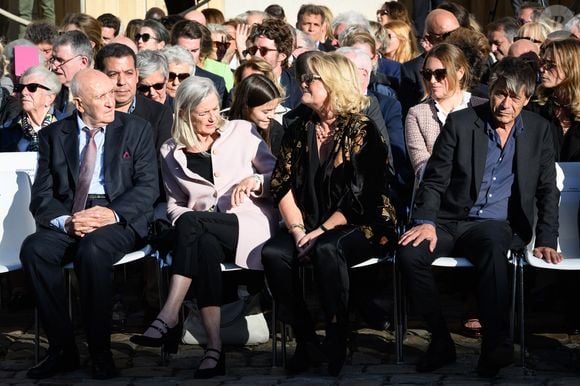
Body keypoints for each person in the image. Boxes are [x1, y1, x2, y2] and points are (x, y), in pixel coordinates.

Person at [398, 56, 561, 378]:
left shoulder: (539, 130)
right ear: (491, 92)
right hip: (449, 220)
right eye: (500, 93)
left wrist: (545, 238)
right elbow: (434, 179)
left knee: (493, 251)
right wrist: (426, 222)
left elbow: (547, 189)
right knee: (409, 254)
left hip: (496, 225)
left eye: (515, 97)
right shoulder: (462, 123)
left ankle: (494, 346)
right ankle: (441, 342)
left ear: (527, 99)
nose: (505, 103)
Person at [130, 76, 278, 379]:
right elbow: (174, 203)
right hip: (203, 233)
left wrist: (256, 181)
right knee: (201, 241)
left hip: (247, 226)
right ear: (184, 113)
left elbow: (277, 173)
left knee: (192, 224)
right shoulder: (170, 150)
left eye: (216, 110)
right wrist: (187, 216)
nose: (213, 118)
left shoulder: (241, 130)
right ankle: (214, 349)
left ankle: (169, 313)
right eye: (203, 112)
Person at [261, 52, 397, 377]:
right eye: (304, 77)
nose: (303, 82)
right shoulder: (299, 127)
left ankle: (337, 334)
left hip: (363, 221)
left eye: (312, 78)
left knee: (327, 248)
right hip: (307, 223)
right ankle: (307, 339)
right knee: (275, 253)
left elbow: (359, 196)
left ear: (333, 84)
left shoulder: (361, 129)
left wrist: (320, 232)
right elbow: (281, 185)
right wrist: (297, 232)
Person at [20, 68, 159, 380]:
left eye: (112, 93)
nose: (112, 101)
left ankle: (100, 352)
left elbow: (148, 187)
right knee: (34, 249)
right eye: (102, 97)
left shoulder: (136, 129)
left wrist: (110, 214)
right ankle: (62, 349)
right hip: (73, 216)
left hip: (118, 217)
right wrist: (67, 222)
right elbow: (42, 196)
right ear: (80, 104)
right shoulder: (54, 136)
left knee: (93, 251)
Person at [94, 43, 172, 153]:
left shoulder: (159, 115)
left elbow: (160, 165)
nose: (122, 82)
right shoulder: (89, 112)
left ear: (136, 75)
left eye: (128, 73)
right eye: (113, 74)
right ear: (99, 75)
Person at [400, 8, 459, 117]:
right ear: (428, 38)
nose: (456, 39)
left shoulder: (465, 61)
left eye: (458, 33)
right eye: (448, 35)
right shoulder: (412, 71)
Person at [533, 38, 580, 162]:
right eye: (542, 63)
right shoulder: (535, 106)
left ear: (571, 68)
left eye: (550, 65)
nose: (542, 69)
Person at [0, 65, 60, 151]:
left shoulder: (67, 131)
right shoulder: (4, 135)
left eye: (32, 87)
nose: (24, 92)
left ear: (50, 98)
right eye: (20, 88)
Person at [247, 19, 302, 109]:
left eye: (264, 50)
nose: (256, 55)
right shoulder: (244, 81)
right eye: (253, 50)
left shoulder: (296, 88)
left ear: (282, 56)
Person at [170, 20, 228, 103]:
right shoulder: (161, 79)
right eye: (184, 50)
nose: (189, 56)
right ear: (172, 47)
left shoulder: (215, 83)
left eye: (194, 51)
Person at [228, 73, 284, 155]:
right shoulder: (227, 130)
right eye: (265, 112)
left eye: (274, 109)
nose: (271, 115)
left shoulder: (275, 130)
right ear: (246, 106)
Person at [50, 31, 93, 119]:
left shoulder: (97, 95)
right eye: (53, 59)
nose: (54, 66)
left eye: (60, 60)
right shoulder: (51, 89)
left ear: (83, 62)